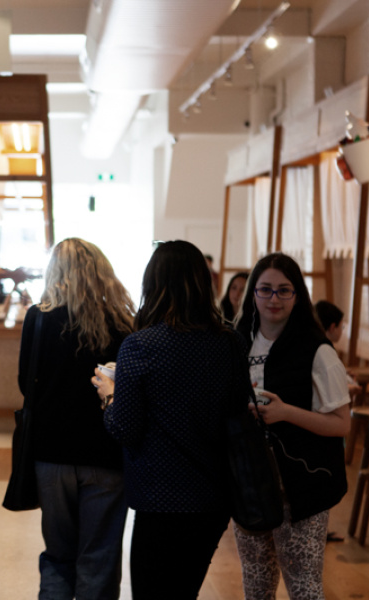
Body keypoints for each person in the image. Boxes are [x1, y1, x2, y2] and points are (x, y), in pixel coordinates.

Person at [97, 240, 248, 600]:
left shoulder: (141, 346)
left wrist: (109, 396)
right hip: (214, 497)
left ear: (153, 284)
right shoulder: (230, 343)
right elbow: (237, 414)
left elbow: (125, 428)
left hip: (159, 498)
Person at [20, 237, 135, 600]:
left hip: (51, 453)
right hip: (106, 452)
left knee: (58, 555)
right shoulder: (123, 322)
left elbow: (25, 383)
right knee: (99, 556)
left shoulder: (39, 318)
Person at [233, 252, 350, 598]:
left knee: (304, 588)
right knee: (257, 586)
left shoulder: (318, 350)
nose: (274, 298)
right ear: (253, 293)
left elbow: (342, 424)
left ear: (298, 295)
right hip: (250, 484)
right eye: (265, 289)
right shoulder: (236, 343)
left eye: (284, 290)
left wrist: (286, 413)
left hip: (302, 488)